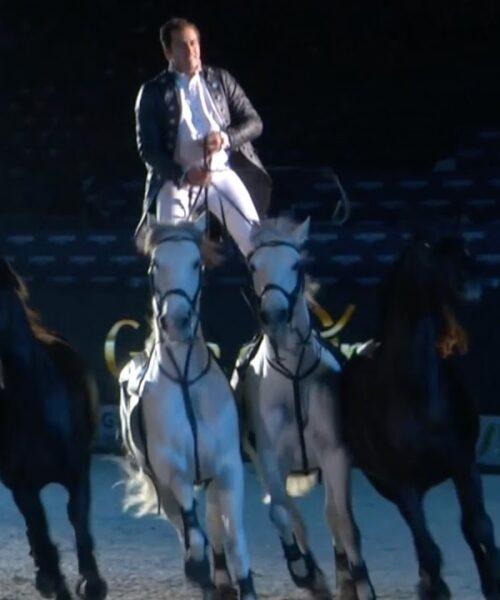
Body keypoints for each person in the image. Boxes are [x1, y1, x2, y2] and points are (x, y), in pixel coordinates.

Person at [134, 17, 271, 256]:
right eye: (182, 45)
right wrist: (183, 173)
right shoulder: (152, 91)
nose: (191, 50)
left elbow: (254, 122)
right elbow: (149, 150)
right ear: (168, 52)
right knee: (171, 253)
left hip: (221, 175)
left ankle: (278, 292)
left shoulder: (221, 79)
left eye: (194, 43)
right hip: (176, 180)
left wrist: (225, 139)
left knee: (257, 243)